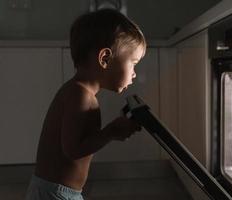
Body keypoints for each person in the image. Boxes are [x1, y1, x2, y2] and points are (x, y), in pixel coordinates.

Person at [25, 8, 146, 200]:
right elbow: (73, 150)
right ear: (104, 59)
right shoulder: (81, 96)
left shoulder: (78, 91)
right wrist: (111, 132)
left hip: (59, 192)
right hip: (54, 194)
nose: (134, 73)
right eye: (133, 63)